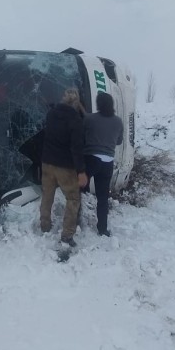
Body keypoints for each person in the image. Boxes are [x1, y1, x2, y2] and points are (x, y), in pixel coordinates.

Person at [38, 87, 88, 246]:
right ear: (76, 103)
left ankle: (44, 225)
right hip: (65, 167)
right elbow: (77, 148)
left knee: (47, 195)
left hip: (46, 163)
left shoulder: (51, 113)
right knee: (73, 198)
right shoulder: (75, 120)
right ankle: (67, 235)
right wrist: (81, 171)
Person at [84, 91, 124, 237]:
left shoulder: (91, 119)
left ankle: (76, 222)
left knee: (79, 190)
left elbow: (82, 133)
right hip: (108, 163)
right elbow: (119, 141)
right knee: (102, 198)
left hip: (91, 160)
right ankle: (102, 229)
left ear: (98, 104)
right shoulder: (118, 121)